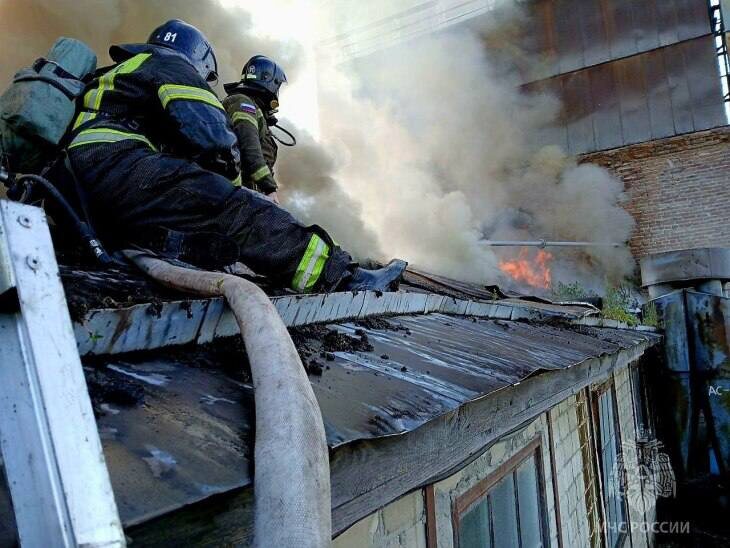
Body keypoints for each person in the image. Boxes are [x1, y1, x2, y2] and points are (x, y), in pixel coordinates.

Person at [64, 19, 406, 293]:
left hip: (83, 180)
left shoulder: (120, 70)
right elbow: (215, 138)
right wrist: (232, 193)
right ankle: (342, 278)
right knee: (243, 212)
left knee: (193, 216)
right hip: (120, 165)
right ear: (198, 60)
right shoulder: (172, 66)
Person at [223, 55, 284, 204]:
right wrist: (269, 189)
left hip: (245, 195)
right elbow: (249, 147)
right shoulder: (243, 102)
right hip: (236, 196)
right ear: (270, 81)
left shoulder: (247, 105)